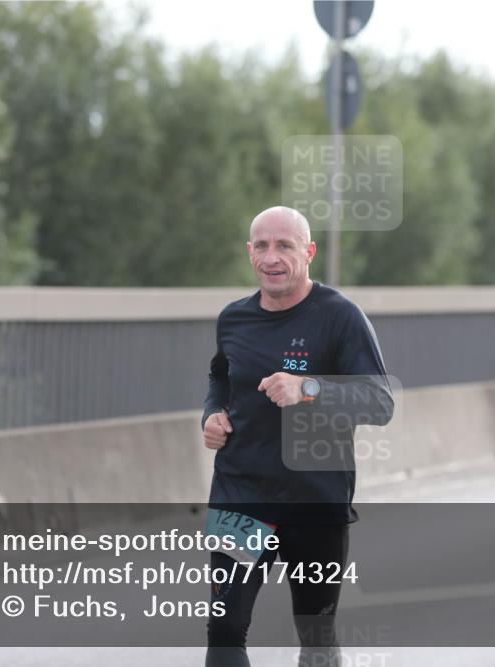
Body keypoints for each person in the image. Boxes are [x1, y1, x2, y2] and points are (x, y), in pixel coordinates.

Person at [201, 206, 394, 667]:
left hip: (315, 498)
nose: (272, 257)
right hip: (241, 495)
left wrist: (308, 389)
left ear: (309, 252)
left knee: (316, 638)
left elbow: (379, 402)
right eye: (262, 246)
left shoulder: (340, 317)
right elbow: (219, 376)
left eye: (284, 246)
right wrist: (212, 413)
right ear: (250, 253)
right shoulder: (233, 319)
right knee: (224, 630)